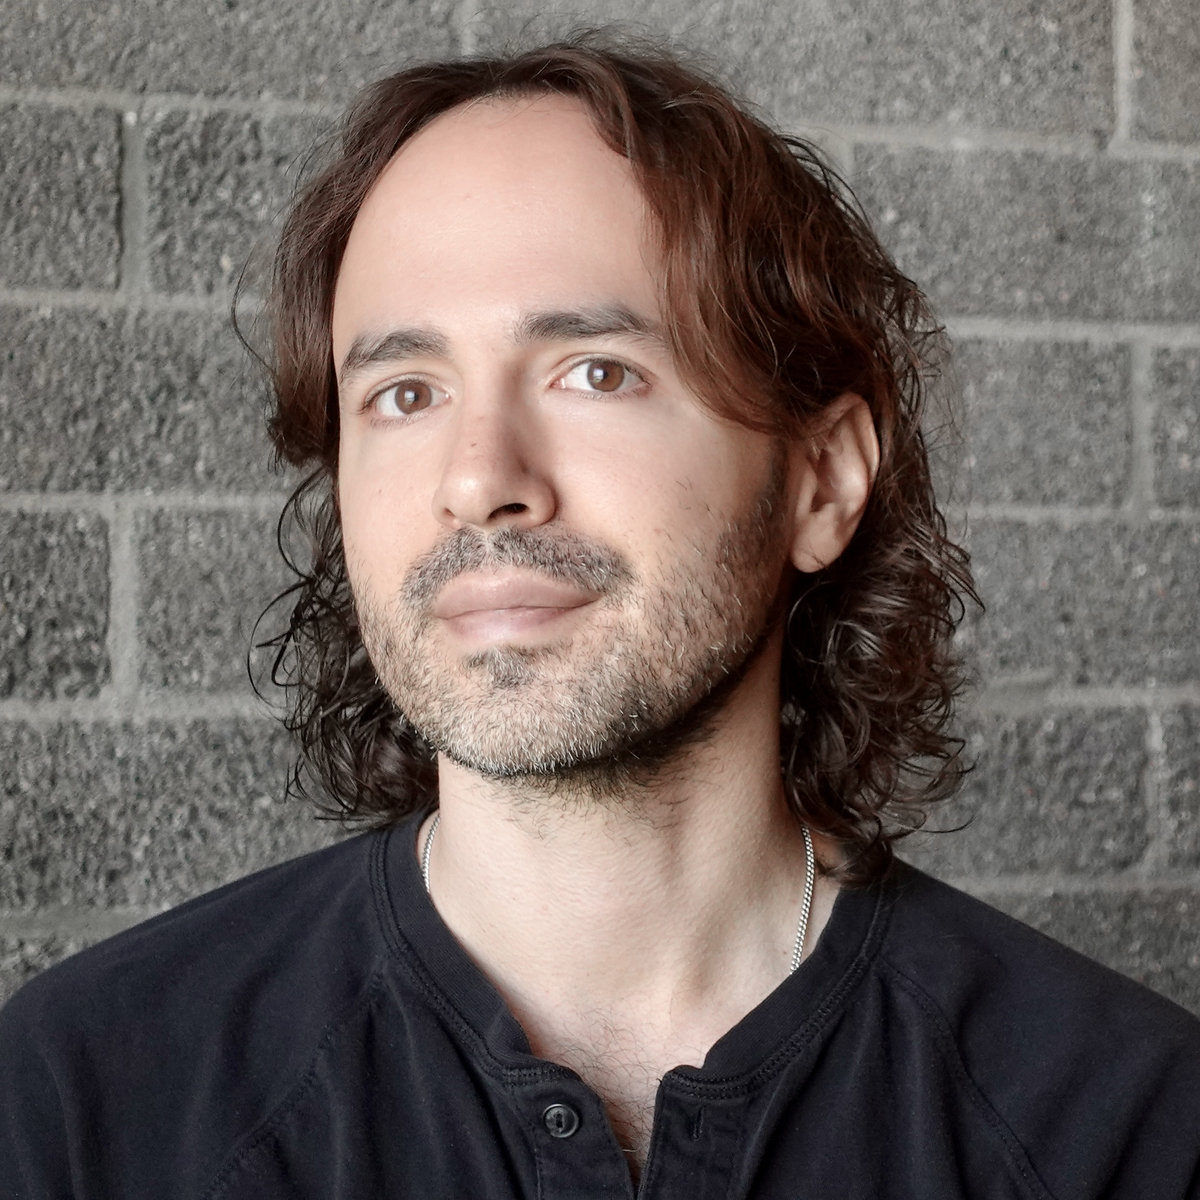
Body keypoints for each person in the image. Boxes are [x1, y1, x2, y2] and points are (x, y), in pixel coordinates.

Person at [2, 33, 1198, 1200]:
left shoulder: (1130, 1130)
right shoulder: (82, 1105)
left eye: (596, 372)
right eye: (406, 393)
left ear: (822, 482)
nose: (479, 478)